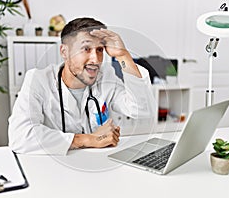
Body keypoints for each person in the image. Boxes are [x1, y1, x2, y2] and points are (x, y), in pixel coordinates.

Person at [8, 17, 156, 155]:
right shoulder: (38, 80)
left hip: (97, 165)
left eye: (99, 50)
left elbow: (141, 110)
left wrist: (123, 56)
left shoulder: (105, 76)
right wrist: (88, 139)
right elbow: (20, 136)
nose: (96, 59)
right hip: (53, 169)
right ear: (64, 52)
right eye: (86, 49)